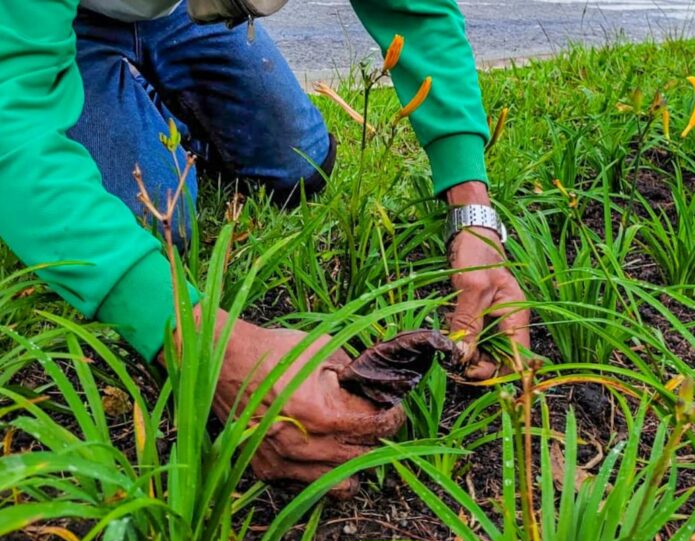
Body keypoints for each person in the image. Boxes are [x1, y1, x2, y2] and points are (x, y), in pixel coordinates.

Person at [0, 0, 530, 495]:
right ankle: (111, 96)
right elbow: (12, 123)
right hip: (64, 23)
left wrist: (472, 209)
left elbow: (413, 8)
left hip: (176, 13)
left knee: (301, 163)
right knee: (157, 224)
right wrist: (202, 343)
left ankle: (154, 96)